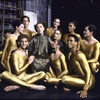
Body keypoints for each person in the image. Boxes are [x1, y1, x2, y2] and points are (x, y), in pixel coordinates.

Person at [61, 34, 95, 98]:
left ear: (76, 43)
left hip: (89, 82)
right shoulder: (71, 55)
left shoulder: (80, 55)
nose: (68, 42)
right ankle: (72, 86)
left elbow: (88, 72)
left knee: (64, 79)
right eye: (68, 41)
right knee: (64, 77)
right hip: (81, 78)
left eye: (71, 41)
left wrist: (85, 89)